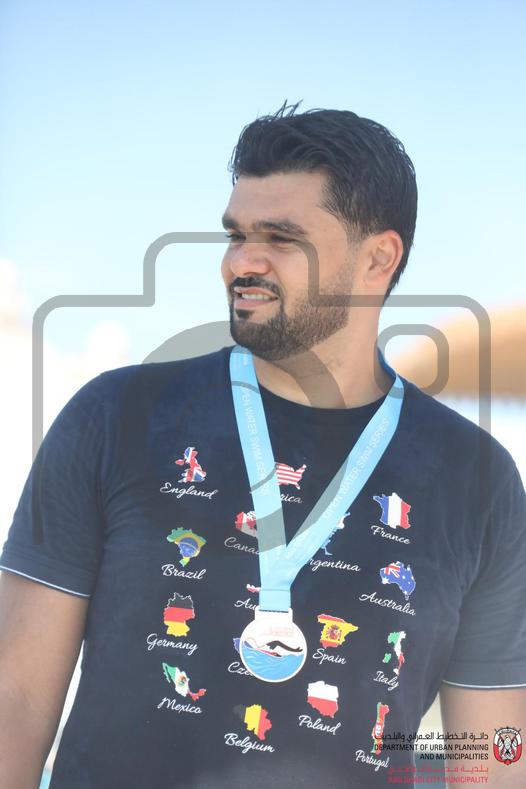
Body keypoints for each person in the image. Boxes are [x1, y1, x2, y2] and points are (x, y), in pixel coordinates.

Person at [1, 102, 525, 789]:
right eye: (236, 235)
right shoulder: (114, 416)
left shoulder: (478, 479)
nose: (241, 262)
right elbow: (15, 700)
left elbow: (493, 757)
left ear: (377, 259)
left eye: (280, 238)